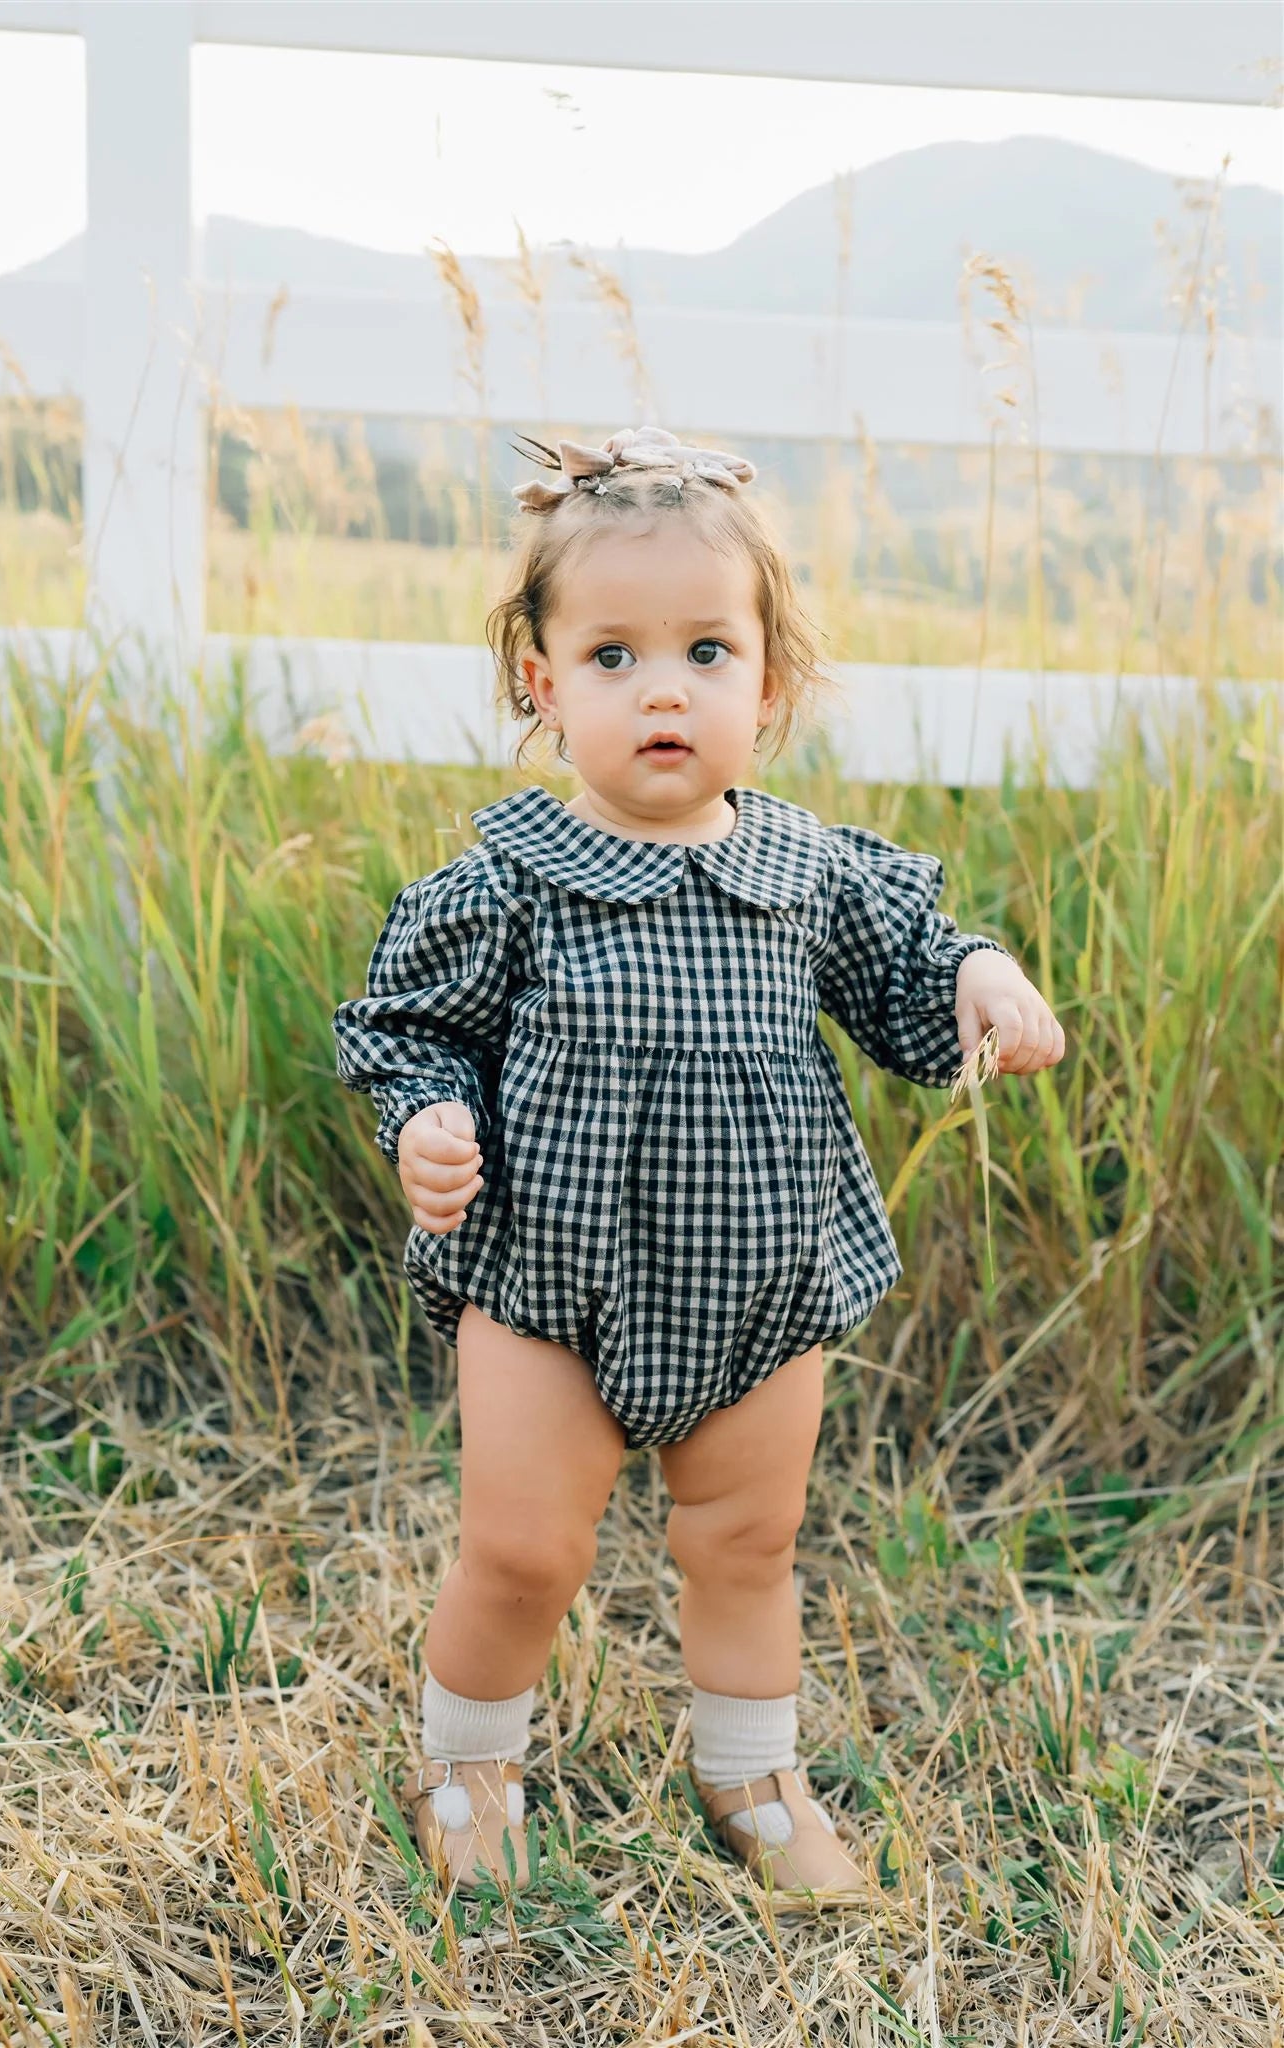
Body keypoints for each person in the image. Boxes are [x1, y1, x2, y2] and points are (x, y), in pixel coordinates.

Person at [331, 425, 1065, 1908]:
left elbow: (915, 966)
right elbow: (404, 1027)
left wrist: (983, 973)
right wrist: (427, 1120)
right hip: (548, 1271)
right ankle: (470, 1759)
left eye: (705, 652)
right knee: (526, 1549)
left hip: (760, 1273)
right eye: (610, 656)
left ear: (768, 684)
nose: (661, 688)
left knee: (747, 1536)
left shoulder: (809, 871)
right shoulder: (509, 881)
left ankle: (751, 1767)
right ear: (539, 683)